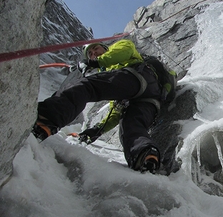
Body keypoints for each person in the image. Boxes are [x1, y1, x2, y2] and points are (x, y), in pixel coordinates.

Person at [32, 39, 163, 173]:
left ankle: (46, 119)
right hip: (149, 98)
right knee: (131, 126)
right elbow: (115, 112)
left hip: (136, 77)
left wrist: (93, 62)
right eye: (90, 54)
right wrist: (95, 130)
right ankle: (145, 156)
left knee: (86, 86)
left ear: (105, 48)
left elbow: (124, 51)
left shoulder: (119, 47)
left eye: (96, 49)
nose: (93, 53)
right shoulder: (113, 74)